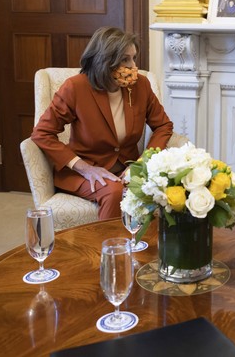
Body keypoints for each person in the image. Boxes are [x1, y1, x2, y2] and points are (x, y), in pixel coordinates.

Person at [32, 26, 174, 220]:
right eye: (125, 59)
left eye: (134, 57)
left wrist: (142, 162)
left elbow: (163, 125)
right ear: (105, 61)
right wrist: (84, 168)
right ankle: (109, 249)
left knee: (172, 186)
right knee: (114, 191)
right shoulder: (75, 87)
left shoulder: (140, 84)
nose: (133, 66)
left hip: (128, 167)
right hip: (85, 170)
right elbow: (42, 133)